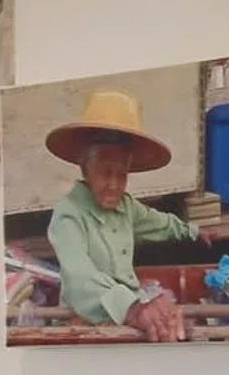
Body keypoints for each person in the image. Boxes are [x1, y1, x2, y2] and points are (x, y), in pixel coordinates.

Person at [43, 89, 212, 342]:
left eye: (121, 175)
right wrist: (133, 308)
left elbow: (160, 223)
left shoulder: (126, 206)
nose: (114, 185)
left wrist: (193, 232)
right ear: (85, 170)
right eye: (105, 172)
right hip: (87, 318)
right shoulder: (68, 214)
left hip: (131, 309)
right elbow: (79, 277)